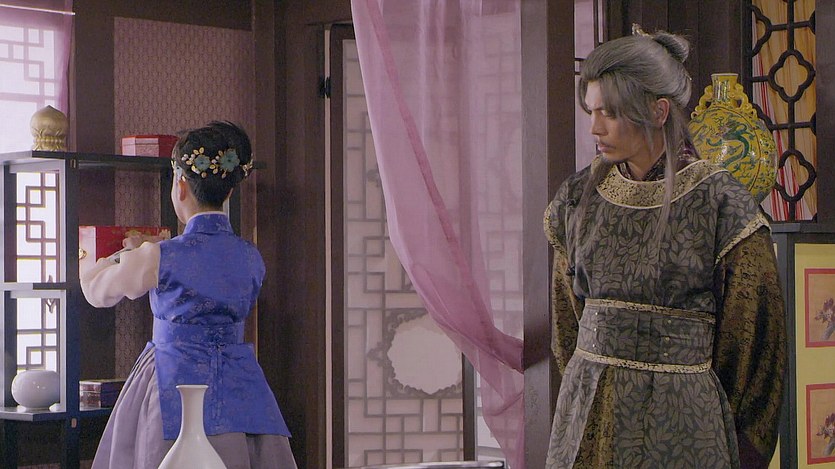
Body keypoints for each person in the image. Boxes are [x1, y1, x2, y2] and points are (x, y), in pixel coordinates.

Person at [543, 28, 785, 468]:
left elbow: (753, 343)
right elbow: (567, 324)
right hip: (589, 414)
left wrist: (727, 433)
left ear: (658, 111)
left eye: (610, 113)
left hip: (685, 425)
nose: (595, 127)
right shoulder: (578, 199)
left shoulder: (721, 204)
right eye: (591, 111)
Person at [81, 121, 297, 469]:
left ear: (180, 186)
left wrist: (118, 256)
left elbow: (96, 292)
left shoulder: (159, 255)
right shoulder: (250, 256)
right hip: (240, 384)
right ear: (229, 192)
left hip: (172, 378)